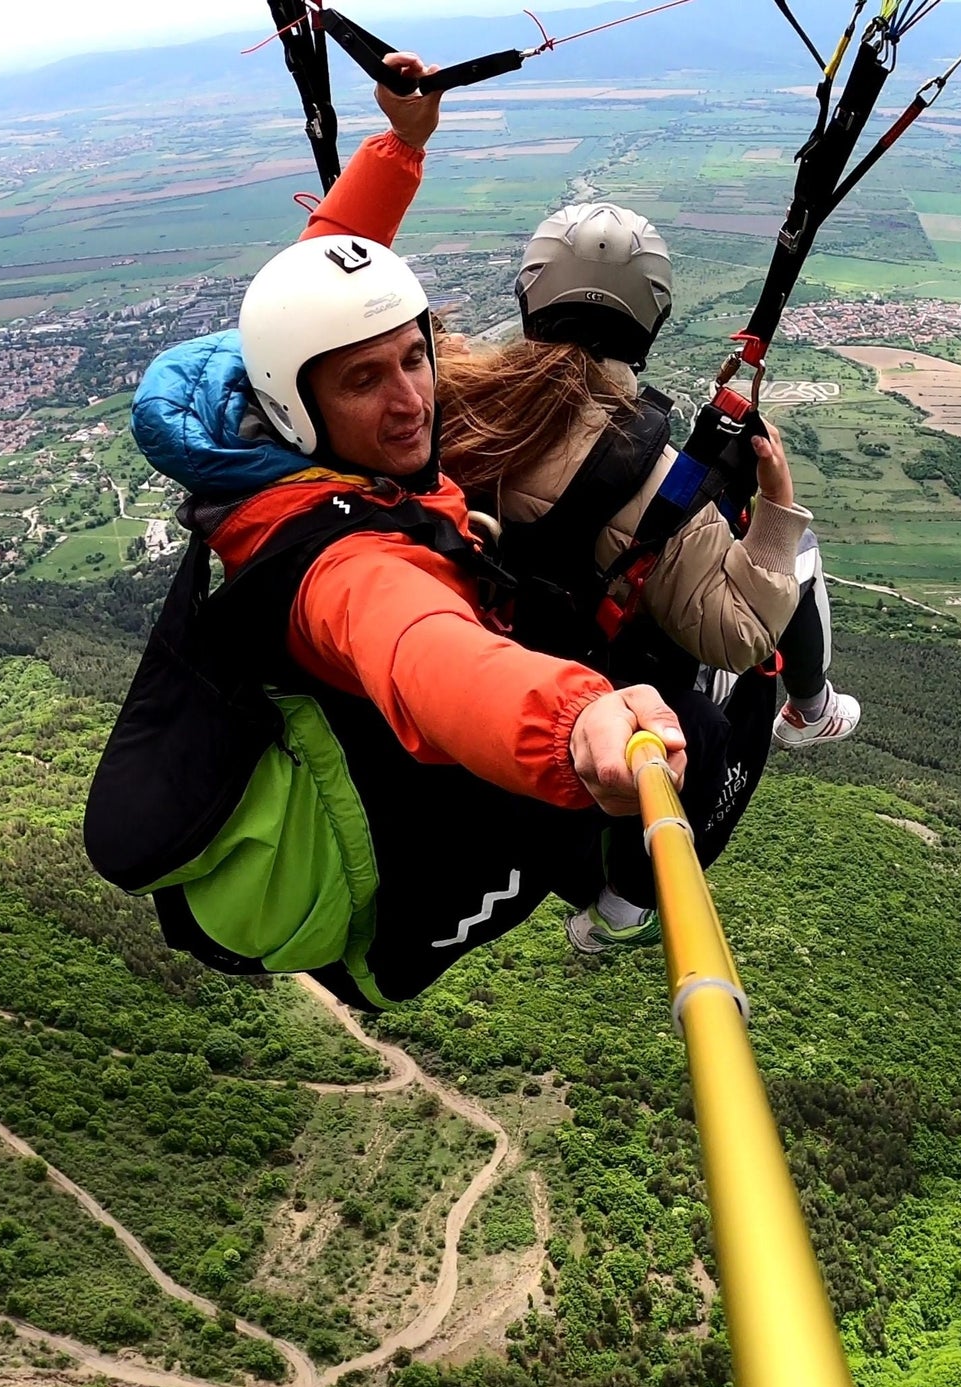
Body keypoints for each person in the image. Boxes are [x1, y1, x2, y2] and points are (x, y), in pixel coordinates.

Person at [118, 56, 793, 1005]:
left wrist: (400, 146)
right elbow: (422, 650)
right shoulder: (340, 563)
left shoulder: (268, 419)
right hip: (408, 828)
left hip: (351, 717)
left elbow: (316, 281)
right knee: (708, 739)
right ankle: (621, 904)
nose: (409, 402)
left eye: (412, 358)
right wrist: (575, 719)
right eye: (366, 381)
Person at [292, 58, 859, 951]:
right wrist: (778, 510)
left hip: (484, 640)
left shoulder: (430, 395)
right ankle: (807, 712)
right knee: (780, 598)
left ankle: (634, 884)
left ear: (527, 298)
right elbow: (740, 631)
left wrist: (397, 149)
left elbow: (322, 307)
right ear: (654, 318)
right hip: (585, 679)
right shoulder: (647, 477)